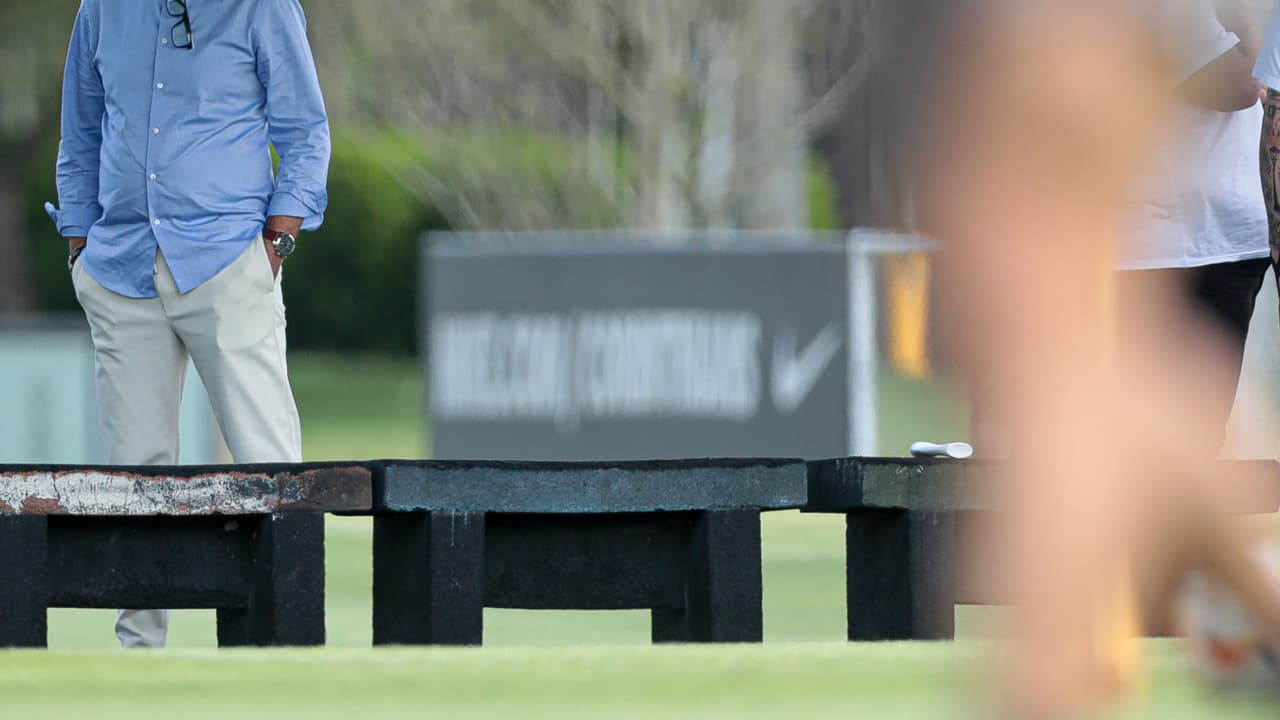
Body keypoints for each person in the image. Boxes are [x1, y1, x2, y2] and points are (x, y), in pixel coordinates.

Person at [915, 0, 1280, 716]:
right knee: (1121, 440)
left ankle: (1094, 654)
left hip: (1194, 238)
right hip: (1126, 236)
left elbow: (1239, 80)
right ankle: (1214, 617)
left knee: (1120, 441)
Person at [45, 0, 330, 648]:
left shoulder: (261, 6)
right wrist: (79, 246)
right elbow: (81, 133)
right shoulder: (100, 10)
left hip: (229, 264)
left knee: (269, 463)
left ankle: (288, 648)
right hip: (118, 270)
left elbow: (306, 130)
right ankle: (141, 660)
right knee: (135, 475)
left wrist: (277, 244)